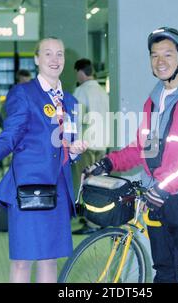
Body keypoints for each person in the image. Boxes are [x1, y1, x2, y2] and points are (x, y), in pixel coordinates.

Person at [85, 27, 178, 283]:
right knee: (164, 270)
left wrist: (163, 188)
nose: (160, 61)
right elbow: (142, 149)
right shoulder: (153, 101)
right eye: (154, 55)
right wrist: (107, 162)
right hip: (156, 196)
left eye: (168, 54)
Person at [0, 37, 88, 283]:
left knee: (50, 258)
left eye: (59, 54)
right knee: (22, 259)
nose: (54, 59)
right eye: (47, 54)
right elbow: (12, 133)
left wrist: (73, 151)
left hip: (58, 188)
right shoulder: (23, 93)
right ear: (37, 59)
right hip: (29, 188)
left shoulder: (71, 101)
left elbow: (64, 144)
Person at [71, 58, 110, 235]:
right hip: (102, 143)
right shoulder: (103, 91)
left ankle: (90, 222)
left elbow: (76, 118)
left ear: (80, 72)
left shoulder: (81, 90)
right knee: (99, 183)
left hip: (84, 144)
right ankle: (100, 219)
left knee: (84, 183)